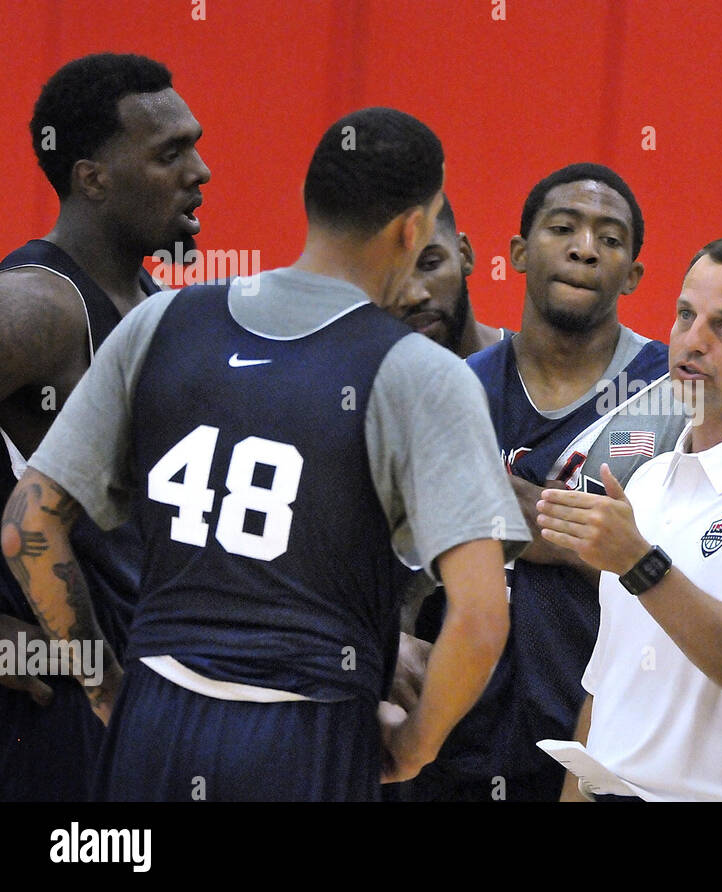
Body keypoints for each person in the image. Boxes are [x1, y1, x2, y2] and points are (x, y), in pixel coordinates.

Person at [1, 107, 527, 801]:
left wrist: (106, 688)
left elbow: (27, 526)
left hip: (153, 722)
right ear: (414, 228)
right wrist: (414, 744)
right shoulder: (421, 374)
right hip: (306, 737)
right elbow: (482, 617)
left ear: (311, 206)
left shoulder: (162, 322)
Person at [405, 162, 687, 802]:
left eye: (610, 240)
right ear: (519, 253)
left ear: (634, 275)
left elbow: (690, 584)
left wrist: (557, 536)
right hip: (443, 741)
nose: (585, 248)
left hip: (596, 748)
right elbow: (388, 558)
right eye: (564, 228)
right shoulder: (450, 389)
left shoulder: (670, 399)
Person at [536, 233, 722, 801]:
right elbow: (606, 683)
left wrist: (640, 563)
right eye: (685, 315)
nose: (691, 342)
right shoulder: (645, 480)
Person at [0, 52, 209, 801]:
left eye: (196, 144)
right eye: (170, 153)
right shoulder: (36, 306)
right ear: (92, 178)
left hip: (133, 699)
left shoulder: (158, 305)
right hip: (51, 715)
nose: (202, 170)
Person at [397, 195, 508, 357]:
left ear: (464, 254)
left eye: (430, 263)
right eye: (392, 277)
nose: (413, 296)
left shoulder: (536, 370)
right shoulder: (359, 379)